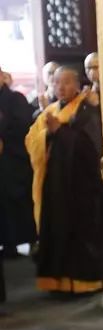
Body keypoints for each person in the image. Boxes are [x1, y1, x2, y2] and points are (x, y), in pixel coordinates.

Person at [24, 67, 103, 294]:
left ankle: (84, 283)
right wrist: (49, 134)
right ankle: (57, 282)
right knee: (55, 230)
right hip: (54, 183)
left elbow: (91, 147)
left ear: (77, 84)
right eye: (57, 82)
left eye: (67, 82)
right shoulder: (49, 111)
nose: (61, 87)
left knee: (79, 232)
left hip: (80, 186)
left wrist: (60, 131)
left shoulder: (86, 110)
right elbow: (31, 142)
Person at [0, 64, 36, 260]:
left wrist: (4, 140)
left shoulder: (15, 99)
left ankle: (25, 241)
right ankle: (7, 244)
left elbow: (23, 126)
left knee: (16, 202)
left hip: (13, 160)